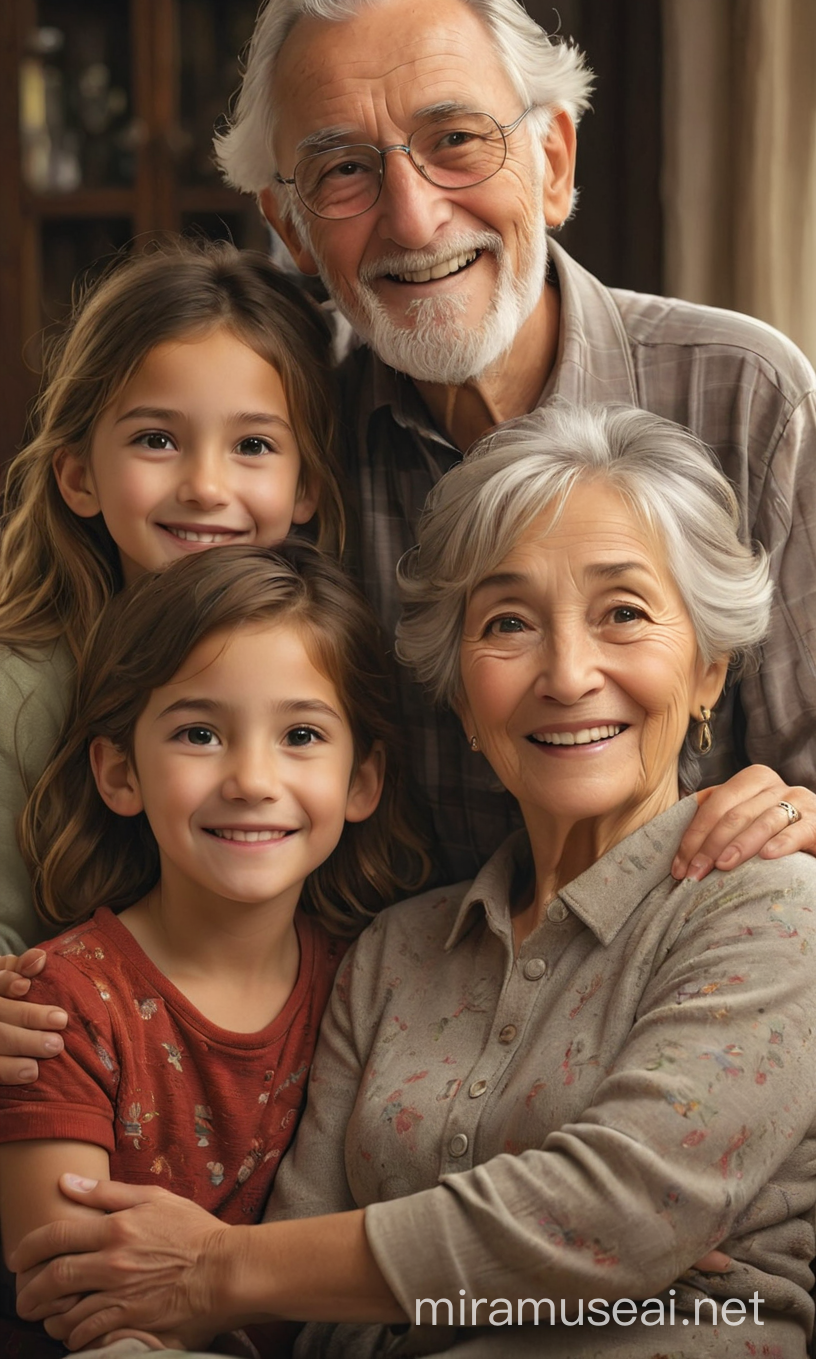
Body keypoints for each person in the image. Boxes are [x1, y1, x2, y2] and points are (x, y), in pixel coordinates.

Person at [12, 403, 816, 1358]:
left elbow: (615, 1218)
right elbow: (308, 1323)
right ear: (464, 699)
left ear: (710, 673)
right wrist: (553, 1285)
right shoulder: (395, 952)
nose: (566, 674)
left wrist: (220, 1268)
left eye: (625, 614)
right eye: (508, 623)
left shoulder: (767, 904)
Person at [218, 0, 816, 881]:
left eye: (455, 140)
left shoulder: (747, 396)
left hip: (688, 975)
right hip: (395, 1000)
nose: (413, 219)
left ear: (553, 159)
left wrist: (798, 812)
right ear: (289, 228)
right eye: (343, 172)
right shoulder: (274, 428)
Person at [0, 540, 425, 1357]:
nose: (252, 779)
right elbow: (70, 1289)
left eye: (302, 734)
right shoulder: (61, 1004)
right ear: (120, 773)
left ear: (362, 782)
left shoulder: (375, 980)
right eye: (199, 734)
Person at [0, 235, 345, 968]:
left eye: (253, 446)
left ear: (307, 486)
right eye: (157, 439)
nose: (206, 487)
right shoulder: (19, 694)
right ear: (78, 476)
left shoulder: (333, 655)